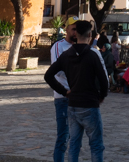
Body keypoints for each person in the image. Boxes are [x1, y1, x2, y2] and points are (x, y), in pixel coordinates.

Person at [44, 20, 108, 162]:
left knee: (73, 144)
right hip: (89, 104)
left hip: (72, 104)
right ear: (90, 35)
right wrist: (102, 95)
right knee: (96, 145)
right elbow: (104, 80)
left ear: (76, 34)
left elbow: (48, 75)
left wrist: (65, 91)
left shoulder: (67, 55)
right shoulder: (93, 55)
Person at [49, 17, 79, 162]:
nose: (75, 32)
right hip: (63, 97)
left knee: (76, 137)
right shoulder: (58, 46)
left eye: (77, 29)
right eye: (73, 29)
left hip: (79, 97)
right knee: (63, 136)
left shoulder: (80, 47)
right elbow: (57, 71)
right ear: (66, 29)